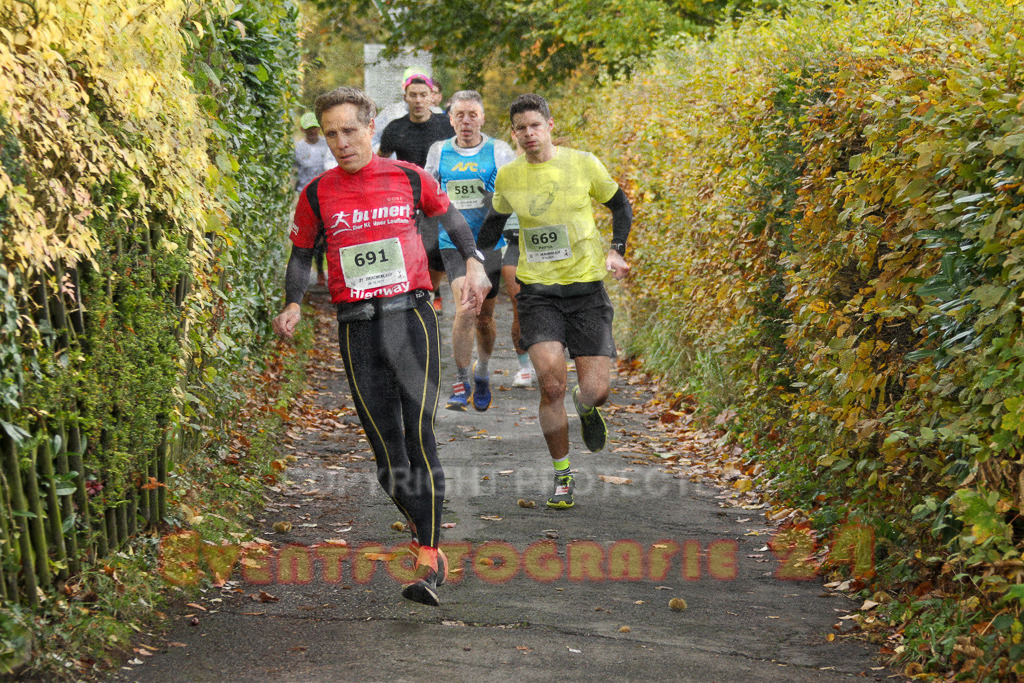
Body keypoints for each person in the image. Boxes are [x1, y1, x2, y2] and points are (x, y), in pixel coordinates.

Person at [273, 87, 491, 606]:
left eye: (350, 130)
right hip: (357, 327)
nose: (341, 142)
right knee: (386, 453)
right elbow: (302, 255)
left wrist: (474, 261)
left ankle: (429, 557)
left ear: (371, 128)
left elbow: (452, 220)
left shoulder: (409, 178)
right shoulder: (316, 194)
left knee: (419, 436)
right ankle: (423, 536)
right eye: (331, 134)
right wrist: (294, 303)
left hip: (410, 316)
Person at [477, 93, 633, 510]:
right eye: (520, 128)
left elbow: (620, 204)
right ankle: (563, 476)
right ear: (513, 134)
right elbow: (491, 226)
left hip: (585, 291)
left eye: (534, 125)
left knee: (595, 391)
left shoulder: (582, 163)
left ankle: (587, 408)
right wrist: (476, 267)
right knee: (550, 383)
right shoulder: (509, 178)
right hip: (538, 293)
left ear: (549, 124)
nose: (528, 134)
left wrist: (616, 248)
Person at [424, 90, 515, 411]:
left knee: (485, 318)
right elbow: (428, 192)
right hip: (453, 243)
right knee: (466, 307)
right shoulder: (439, 151)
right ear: (449, 118)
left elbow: (510, 196)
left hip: (489, 242)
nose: (466, 121)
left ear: (482, 117)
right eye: (459, 115)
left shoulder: (499, 151)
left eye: (472, 115)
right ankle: (461, 381)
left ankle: (482, 372)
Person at [378, 74, 455, 314]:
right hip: (407, 200)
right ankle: (420, 296)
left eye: (424, 95)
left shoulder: (447, 124)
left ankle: (432, 289)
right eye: (413, 95)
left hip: (440, 196)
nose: (419, 100)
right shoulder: (395, 128)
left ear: (433, 97)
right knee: (413, 250)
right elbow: (380, 160)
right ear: (405, 98)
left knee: (439, 253)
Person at [294, 112, 337, 286]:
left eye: (315, 128)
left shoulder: (328, 145)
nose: (313, 132)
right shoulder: (298, 148)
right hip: (308, 196)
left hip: (328, 195)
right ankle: (319, 271)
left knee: (330, 235)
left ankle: (334, 274)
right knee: (315, 237)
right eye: (309, 129)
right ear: (302, 129)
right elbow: (293, 171)